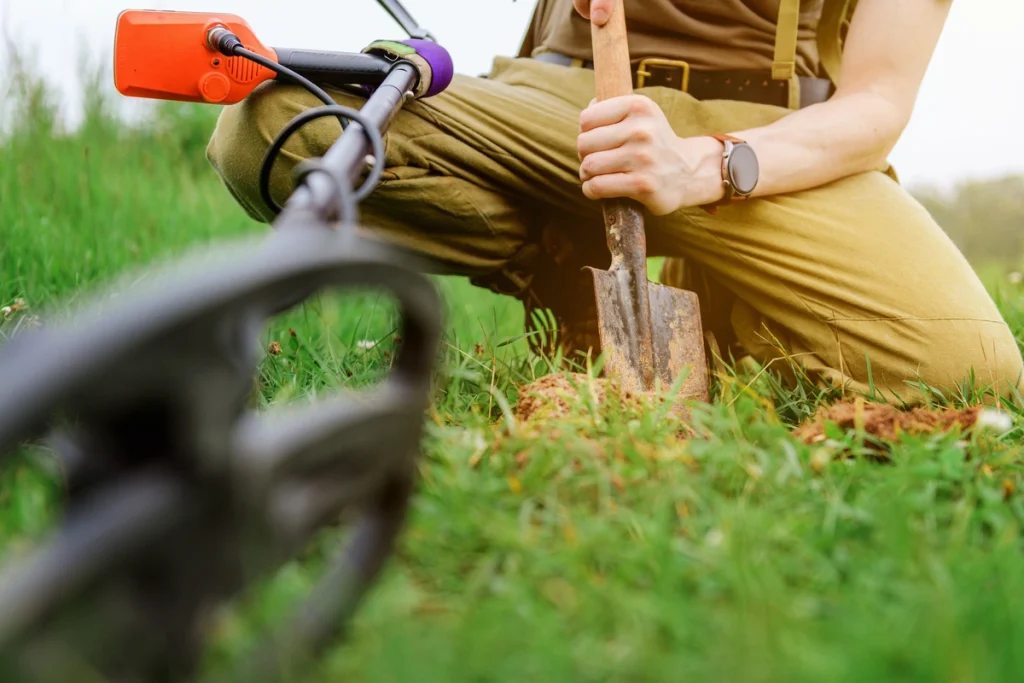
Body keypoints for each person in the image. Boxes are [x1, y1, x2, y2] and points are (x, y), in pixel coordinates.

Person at [206, 0, 1024, 405]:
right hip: (557, 105)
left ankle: (731, 312)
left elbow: (879, 99)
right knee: (273, 127)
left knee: (972, 372)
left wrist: (707, 167)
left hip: (765, 138)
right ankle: (561, 271)